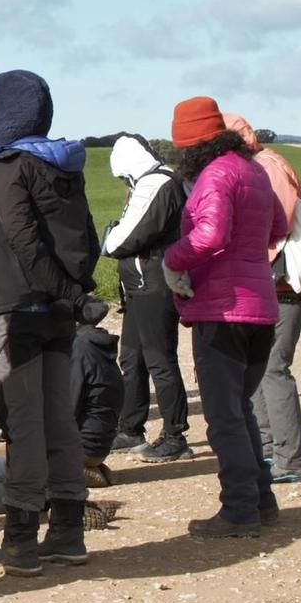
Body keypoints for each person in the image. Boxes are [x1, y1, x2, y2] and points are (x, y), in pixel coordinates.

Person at [0, 70, 101, 578]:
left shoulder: (7, 167)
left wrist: (61, 292)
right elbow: (85, 237)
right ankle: (68, 532)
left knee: (23, 425)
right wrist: (72, 295)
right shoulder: (63, 162)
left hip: (20, 307)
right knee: (59, 420)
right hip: (59, 313)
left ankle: (21, 541)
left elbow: (23, 241)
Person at [165, 99, 288, 538]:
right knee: (240, 411)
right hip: (260, 306)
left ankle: (238, 510)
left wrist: (173, 259)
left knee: (223, 416)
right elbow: (277, 227)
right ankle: (261, 500)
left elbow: (211, 234)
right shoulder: (253, 169)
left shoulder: (216, 174)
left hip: (223, 308)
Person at [229, 113, 301, 484]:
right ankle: (268, 447)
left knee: (272, 368)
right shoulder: (260, 164)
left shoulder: (267, 165)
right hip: (271, 281)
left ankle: (291, 461)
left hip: (283, 282)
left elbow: (276, 223)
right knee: (259, 366)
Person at [101, 133, 191, 461]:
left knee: (159, 359)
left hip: (154, 285)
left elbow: (123, 239)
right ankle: (130, 429)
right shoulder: (157, 181)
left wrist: (111, 238)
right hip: (143, 285)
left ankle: (175, 434)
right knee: (133, 358)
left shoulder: (155, 184)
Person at [71, 296, 126, 487]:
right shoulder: (96, 344)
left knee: (16, 455)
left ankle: (72, 470)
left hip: (84, 446)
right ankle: (92, 468)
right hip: (99, 445)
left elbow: (68, 407)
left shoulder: (77, 349)